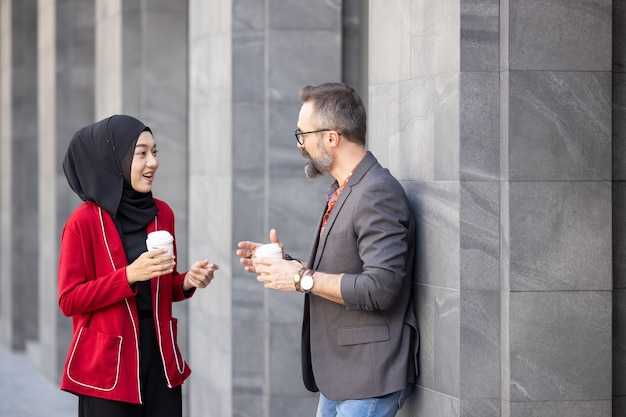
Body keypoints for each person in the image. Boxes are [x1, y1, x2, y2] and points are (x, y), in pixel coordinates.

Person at [237, 82, 418, 417]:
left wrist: (301, 279)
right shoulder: (345, 189)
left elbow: (380, 288)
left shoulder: (376, 193)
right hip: (342, 377)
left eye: (303, 134)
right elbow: (346, 270)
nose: (301, 144)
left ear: (332, 138)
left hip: (369, 378)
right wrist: (287, 265)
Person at [58, 115, 219, 417]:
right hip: (108, 367)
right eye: (141, 153)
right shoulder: (83, 223)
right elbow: (69, 300)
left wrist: (188, 281)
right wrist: (129, 276)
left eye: (155, 151)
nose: (153, 162)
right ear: (114, 160)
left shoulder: (162, 214)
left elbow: (162, 286)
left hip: (159, 358)